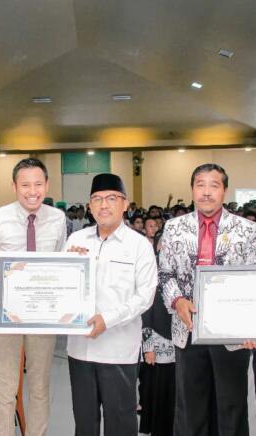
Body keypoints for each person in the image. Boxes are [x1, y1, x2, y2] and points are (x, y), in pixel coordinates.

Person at [159, 163, 256, 436]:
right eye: (200, 185)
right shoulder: (173, 228)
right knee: (190, 410)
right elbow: (165, 274)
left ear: (224, 191)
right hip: (188, 328)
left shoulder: (247, 230)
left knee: (232, 407)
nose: (206, 192)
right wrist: (177, 300)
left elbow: (254, 281)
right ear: (192, 189)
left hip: (232, 333)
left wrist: (253, 325)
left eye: (214, 185)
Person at [0, 158, 67, 436]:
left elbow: (62, 260)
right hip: (6, 312)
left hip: (43, 313)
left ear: (47, 185)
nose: (32, 191)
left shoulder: (58, 218)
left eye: (38, 184)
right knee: (6, 387)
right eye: (25, 185)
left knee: (39, 385)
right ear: (14, 186)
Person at [65, 173, 157, 436]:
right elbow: (59, 288)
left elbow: (145, 296)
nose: (104, 205)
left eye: (111, 198)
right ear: (90, 206)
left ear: (125, 204)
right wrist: (67, 265)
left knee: (121, 423)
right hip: (80, 350)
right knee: (84, 423)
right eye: (97, 199)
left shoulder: (139, 246)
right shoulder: (75, 241)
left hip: (119, 350)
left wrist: (108, 319)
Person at [139, 231, 175, 436]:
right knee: (158, 390)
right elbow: (146, 312)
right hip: (158, 337)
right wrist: (148, 347)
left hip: (181, 338)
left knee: (175, 390)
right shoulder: (151, 270)